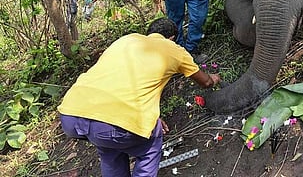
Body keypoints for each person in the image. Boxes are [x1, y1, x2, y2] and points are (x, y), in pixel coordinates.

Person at [57, 17, 221, 177]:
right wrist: (213, 79)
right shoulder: (173, 49)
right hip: (113, 121)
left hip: (72, 112)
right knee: (150, 146)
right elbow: (205, 82)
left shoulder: (126, 40)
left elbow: (123, 84)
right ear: (172, 38)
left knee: (109, 150)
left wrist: (152, 117)